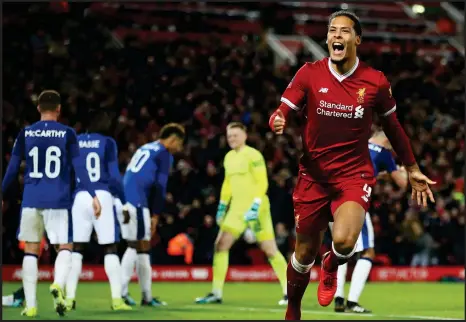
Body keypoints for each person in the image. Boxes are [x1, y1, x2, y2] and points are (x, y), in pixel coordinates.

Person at [268, 11, 436, 320]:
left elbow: (394, 128)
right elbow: (284, 106)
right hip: (313, 176)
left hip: (353, 174)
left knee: (345, 242)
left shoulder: (375, 81)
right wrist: (278, 117)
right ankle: (293, 310)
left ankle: (332, 262)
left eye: (344, 31)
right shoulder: (309, 72)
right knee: (303, 254)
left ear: (356, 39)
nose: (337, 36)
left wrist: (412, 167)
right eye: (332, 30)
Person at [1, 90, 101, 317]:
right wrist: (93, 194)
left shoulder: (25, 133)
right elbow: (79, 167)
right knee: (65, 246)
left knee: (31, 250)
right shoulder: (67, 133)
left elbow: (12, 170)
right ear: (58, 109)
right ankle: (57, 284)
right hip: (58, 199)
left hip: (31, 200)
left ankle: (31, 305)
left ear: (38, 108)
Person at [195, 122, 288, 306]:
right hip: (236, 209)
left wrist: (255, 205)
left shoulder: (253, 155)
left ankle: (289, 291)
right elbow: (227, 184)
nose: (232, 139)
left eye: (235, 135)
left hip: (257, 208)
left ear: (244, 136)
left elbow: (262, 182)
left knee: (270, 250)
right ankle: (216, 292)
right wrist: (222, 205)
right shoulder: (229, 157)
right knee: (220, 245)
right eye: (229, 136)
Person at [333, 129, 408, 313]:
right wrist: (403, 172)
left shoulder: (355, 144)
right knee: (368, 251)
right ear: (387, 140)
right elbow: (402, 183)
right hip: (354, 202)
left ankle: (338, 297)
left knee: (341, 248)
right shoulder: (383, 152)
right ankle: (352, 302)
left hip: (332, 199)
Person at [64, 111, 132, 311]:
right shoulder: (108, 142)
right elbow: (114, 177)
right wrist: (124, 201)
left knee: (77, 249)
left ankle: (69, 298)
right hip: (101, 195)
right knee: (110, 248)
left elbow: (69, 173)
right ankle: (116, 300)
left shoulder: (75, 141)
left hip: (79, 196)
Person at [120, 123, 185, 307]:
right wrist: (155, 215)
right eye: (179, 144)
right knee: (135, 245)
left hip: (126, 199)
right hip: (138, 202)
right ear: (173, 140)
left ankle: (146, 296)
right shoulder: (164, 154)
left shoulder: (146, 147)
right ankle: (120, 293)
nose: (178, 148)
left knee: (142, 248)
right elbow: (160, 187)